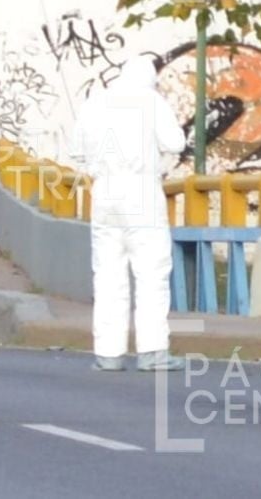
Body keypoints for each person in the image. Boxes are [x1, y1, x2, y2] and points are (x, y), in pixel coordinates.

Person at [68, 54, 187, 372]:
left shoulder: (96, 101)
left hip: (104, 194)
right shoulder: (151, 100)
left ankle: (107, 353)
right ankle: (152, 351)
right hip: (141, 192)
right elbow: (176, 142)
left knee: (107, 274)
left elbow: (76, 149)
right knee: (151, 273)